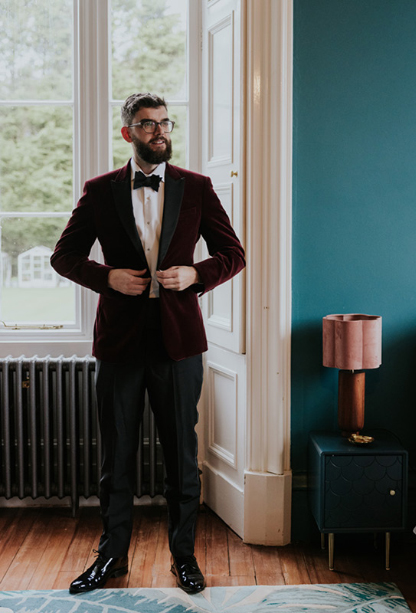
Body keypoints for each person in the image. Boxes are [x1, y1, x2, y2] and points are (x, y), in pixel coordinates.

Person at [51, 93, 245, 595]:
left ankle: (184, 558)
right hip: (118, 343)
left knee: (181, 456)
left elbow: (233, 253)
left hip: (179, 345)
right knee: (116, 459)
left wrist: (194, 274)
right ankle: (111, 557)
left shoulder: (197, 188)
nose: (158, 131)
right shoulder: (99, 191)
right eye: (146, 124)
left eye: (163, 122)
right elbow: (64, 256)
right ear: (127, 133)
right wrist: (107, 277)